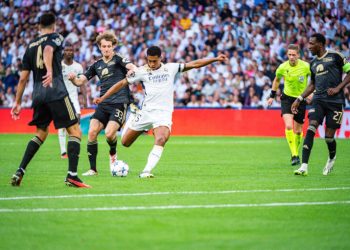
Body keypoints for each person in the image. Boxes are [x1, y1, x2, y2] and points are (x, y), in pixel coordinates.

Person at [93, 46, 227, 178]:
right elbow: (121, 84)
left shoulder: (171, 68)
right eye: (149, 61)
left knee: (161, 138)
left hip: (163, 113)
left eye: (154, 61)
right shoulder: (141, 71)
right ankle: (134, 115)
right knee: (125, 143)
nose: (151, 64)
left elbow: (195, 63)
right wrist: (103, 97)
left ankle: (146, 171)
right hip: (146, 113)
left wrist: (215, 58)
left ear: (160, 58)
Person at [10, 12, 90, 188]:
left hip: (38, 95)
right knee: (75, 131)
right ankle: (72, 175)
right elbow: (47, 50)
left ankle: (20, 170)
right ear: (54, 25)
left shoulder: (30, 46)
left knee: (41, 133)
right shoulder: (56, 37)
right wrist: (50, 70)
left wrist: (17, 102)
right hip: (56, 92)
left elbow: (23, 79)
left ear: (39, 26)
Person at [68, 31, 137, 176]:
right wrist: (73, 79)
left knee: (109, 134)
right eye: (103, 46)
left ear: (113, 46)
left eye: (109, 46)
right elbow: (81, 80)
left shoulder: (119, 59)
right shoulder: (96, 65)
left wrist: (132, 71)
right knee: (92, 132)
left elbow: (131, 66)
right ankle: (93, 169)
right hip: (103, 104)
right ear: (99, 47)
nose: (106, 49)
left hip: (119, 102)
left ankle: (113, 153)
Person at [292, 33, 350, 176]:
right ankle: (304, 166)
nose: (309, 46)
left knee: (329, 136)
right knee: (311, 127)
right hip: (318, 100)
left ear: (320, 44)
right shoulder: (313, 63)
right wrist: (299, 98)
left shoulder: (336, 56)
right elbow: (312, 84)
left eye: (312, 44)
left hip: (335, 102)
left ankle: (332, 157)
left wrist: (338, 88)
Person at [267, 44, 311, 166]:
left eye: (294, 55)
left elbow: (314, 80)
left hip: (300, 99)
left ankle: (295, 153)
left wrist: (312, 93)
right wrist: (272, 96)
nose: (291, 57)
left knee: (298, 131)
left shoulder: (306, 66)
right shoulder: (282, 67)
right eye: (289, 55)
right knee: (288, 126)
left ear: (298, 55)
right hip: (287, 99)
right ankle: (295, 155)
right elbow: (276, 80)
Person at [58, 42, 85, 159]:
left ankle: (73, 148)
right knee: (62, 126)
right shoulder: (59, 66)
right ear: (64, 51)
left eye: (71, 50)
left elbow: (82, 82)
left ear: (73, 52)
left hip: (74, 98)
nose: (69, 52)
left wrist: (84, 98)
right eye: (67, 50)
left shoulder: (78, 67)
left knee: (76, 123)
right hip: (61, 98)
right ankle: (64, 152)